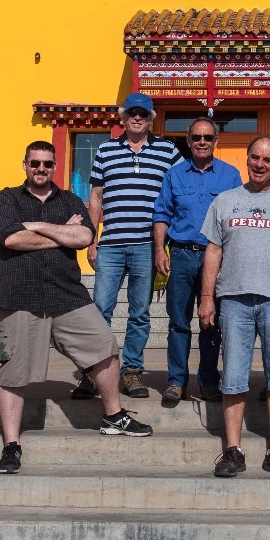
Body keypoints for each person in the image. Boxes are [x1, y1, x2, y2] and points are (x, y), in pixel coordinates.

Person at [0, 140, 152, 475]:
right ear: (25, 165)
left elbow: (84, 238)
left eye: (47, 164)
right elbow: (10, 238)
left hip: (67, 295)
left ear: (54, 166)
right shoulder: (7, 198)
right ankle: (11, 444)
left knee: (104, 346)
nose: (41, 170)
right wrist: (62, 232)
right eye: (35, 164)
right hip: (19, 296)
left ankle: (113, 416)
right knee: (13, 371)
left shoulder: (70, 200)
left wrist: (34, 226)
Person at [198, 136, 270, 479]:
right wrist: (207, 298)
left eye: (267, 159)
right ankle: (232, 451)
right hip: (233, 300)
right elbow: (213, 252)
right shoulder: (226, 200)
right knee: (233, 376)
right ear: (247, 159)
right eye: (255, 158)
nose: (260, 164)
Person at [83, 92, 181, 400]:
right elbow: (96, 197)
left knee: (140, 313)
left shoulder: (167, 151)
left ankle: (132, 372)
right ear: (123, 117)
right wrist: (92, 239)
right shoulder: (106, 150)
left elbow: (179, 193)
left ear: (151, 118)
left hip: (146, 246)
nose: (137, 118)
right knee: (100, 310)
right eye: (132, 113)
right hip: (110, 244)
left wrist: (165, 247)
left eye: (143, 113)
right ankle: (93, 372)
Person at [151, 117, 242, 404]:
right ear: (188, 141)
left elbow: (237, 219)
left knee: (210, 322)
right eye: (196, 138)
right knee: (178, 322)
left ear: (217, 141)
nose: (202, 142)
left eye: (207, 137)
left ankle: (208, 382)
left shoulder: (230, 176)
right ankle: (176, 382)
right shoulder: (174, 175)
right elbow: (162, 214)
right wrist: (158, 251)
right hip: (180, 255)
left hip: (217, 259)